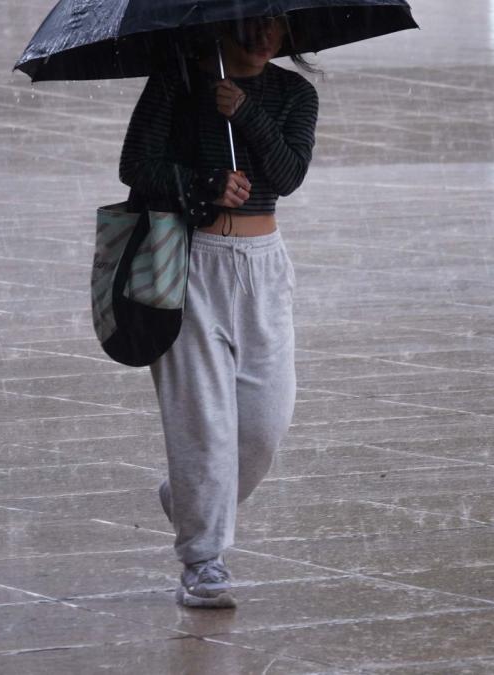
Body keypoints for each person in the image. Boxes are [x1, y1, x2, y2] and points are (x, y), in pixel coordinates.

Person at [118, 16, 319, 609]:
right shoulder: (176, 84)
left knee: (262, 425)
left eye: (276, 26)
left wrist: (245, 113)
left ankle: (188, 500)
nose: (264, 39)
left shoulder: (293, 94)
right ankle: (203, 560)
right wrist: (201, 181)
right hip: (189, 261)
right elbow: (136, 165)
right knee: (201, 419)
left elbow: (289, 175)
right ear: (219, 27)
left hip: (263, 265)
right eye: (251, 26)